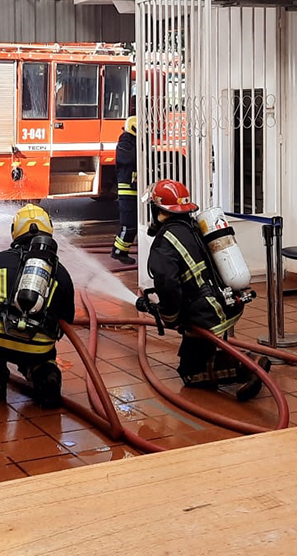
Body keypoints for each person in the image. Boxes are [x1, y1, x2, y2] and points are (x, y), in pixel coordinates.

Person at [138, 179, 269, 400]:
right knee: (194, 356)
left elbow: (169, 288)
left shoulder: (164, 244)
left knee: (190, 374)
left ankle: (249, 365)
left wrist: (166, 315)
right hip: (227, 302)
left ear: (157, 210)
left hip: (206, 313)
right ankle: (237, 361)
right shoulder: (194, 227)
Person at [0, 204, 76, 408]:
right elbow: (67, 318)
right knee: (43, 351)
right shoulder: (60, 272)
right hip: (37, 346)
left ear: (15, 231)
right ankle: (44, 374)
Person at [111, 115, 138, 265]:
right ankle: (118, 252)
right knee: (129, 224)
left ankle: (119, 251)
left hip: (132, 190)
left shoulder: (131, 143)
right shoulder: (125, 144)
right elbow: (130, 159)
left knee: (131, 224)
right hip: (127, 191)